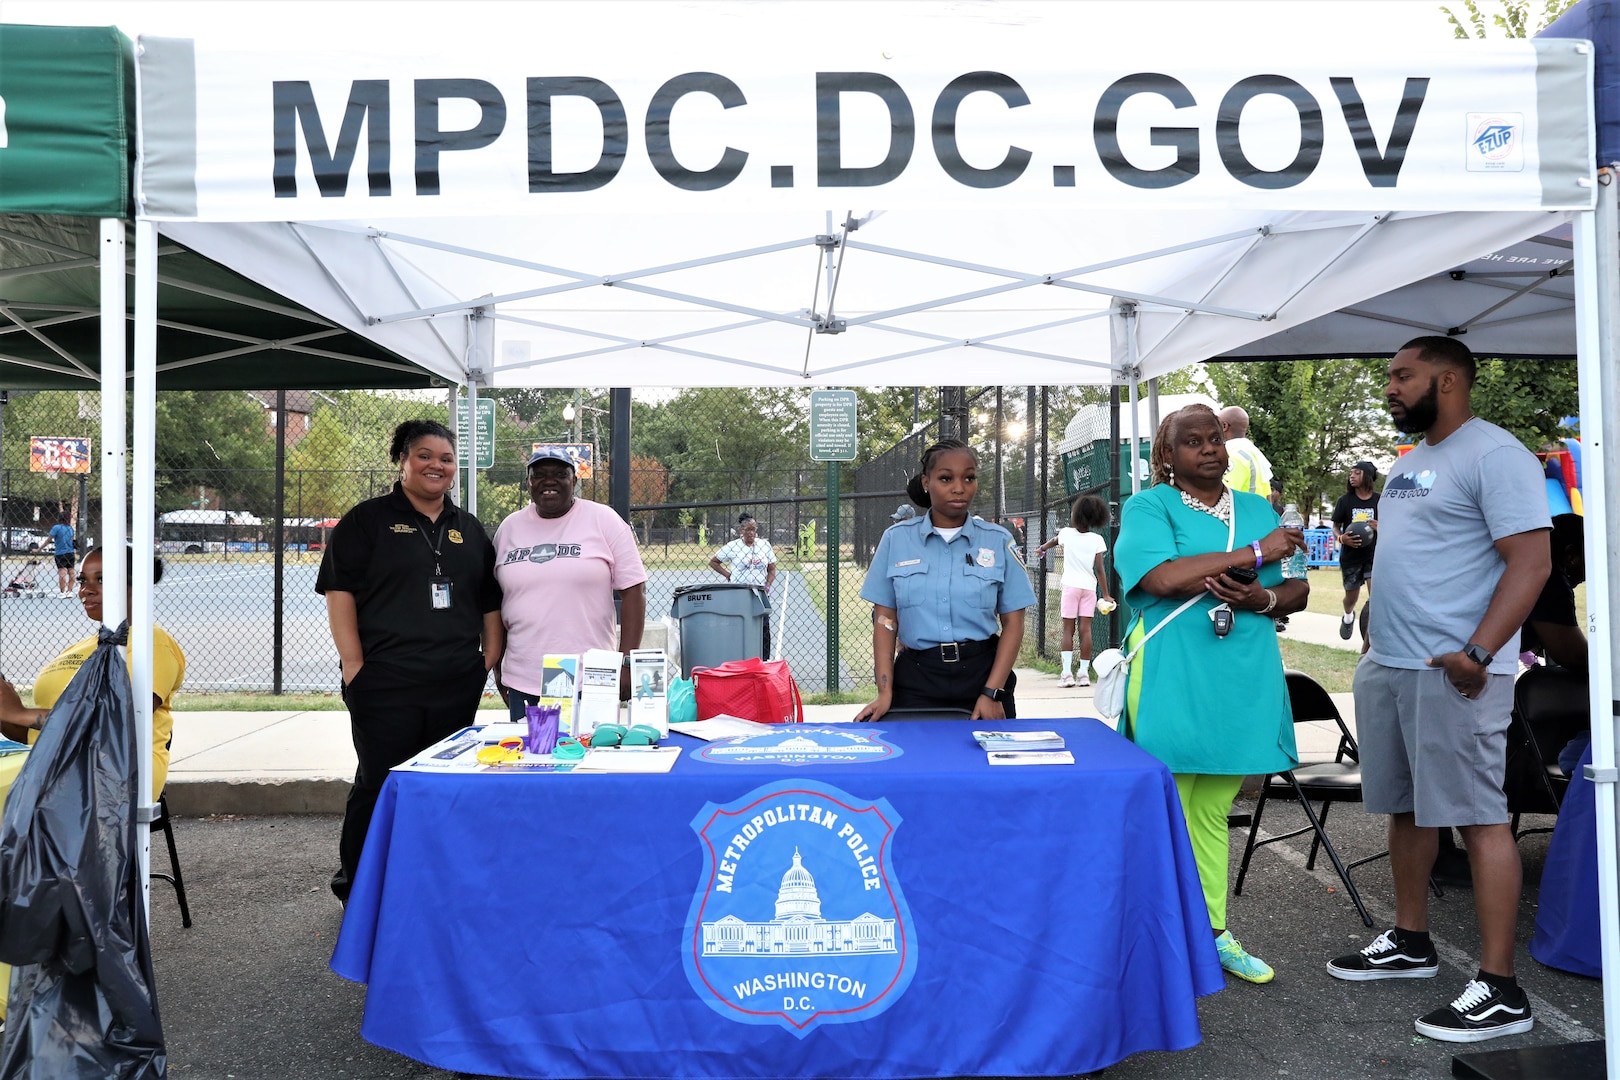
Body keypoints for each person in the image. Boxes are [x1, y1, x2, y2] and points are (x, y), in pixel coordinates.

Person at [1327, 336, 1550, 1044]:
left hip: (1454, 674)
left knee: (1479, 817)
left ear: (1448, 380)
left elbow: (1532, 563)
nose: (1389, 387)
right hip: (1391, 664)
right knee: (1407, 809)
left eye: (1402, 376)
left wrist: (1478, 652)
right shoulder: (1412, 464)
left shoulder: (1496, 454)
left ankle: (1500, 986)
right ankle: (1411, 939)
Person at [1114, 403, 1309, 985]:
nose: (1209, 449)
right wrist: (1256, 553)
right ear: (1167, 456)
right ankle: (1149, 934)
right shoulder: (1149, 506)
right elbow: (1162, 580)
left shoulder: (1255, 509)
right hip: (1173, 669)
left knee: (1212, 810)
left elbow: (1295, 588)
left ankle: (1213, 932)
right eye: (1192, 441)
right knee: (1164, 803)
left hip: (1242, 670)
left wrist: (1263, 599)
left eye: (1215, 439)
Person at [0, 543, 186, 1035]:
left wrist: (25, 716)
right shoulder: (81, 648)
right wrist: (10, 710)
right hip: (49, 764)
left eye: (99, 579)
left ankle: (18, 989)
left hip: (108, 769)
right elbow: (30, 731)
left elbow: (114, 720)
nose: (85, 588)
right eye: (84, 579)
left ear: (133, 587)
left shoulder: (150, 641)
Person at [317, 419, 504, 905]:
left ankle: (428, 883)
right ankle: (358, 887)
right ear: (402, 460)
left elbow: (488, 602)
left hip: (454, 682)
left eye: (445, 458)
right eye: (424, 455)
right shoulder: (367, 520)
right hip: (385, 682)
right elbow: (339, 595)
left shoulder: (469, 528)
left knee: (441, 786)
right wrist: (355, 665)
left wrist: (487, 659)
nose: (435, 466)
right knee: (380, 783)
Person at [855, 438, 1035, 722]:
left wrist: (992, 692)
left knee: (988, 764)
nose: (959, 487)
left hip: (984, 676)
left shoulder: (998, 541)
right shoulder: (897, 539)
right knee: (918, 764)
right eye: (946, 478)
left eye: (969, 477)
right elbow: (885, 620)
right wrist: (884, 692)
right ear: (926, 482)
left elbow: (1014, 623)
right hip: (916, 679)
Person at [495, 446, 646, 720]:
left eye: (560, 474)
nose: (548, 481)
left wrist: (626, 662)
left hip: (590, 679)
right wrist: (499, 670)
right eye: (539, 475)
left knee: (591, 760)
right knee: (532, 758)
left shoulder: (604, 520)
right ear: (529, 482)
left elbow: (634, 592)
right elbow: (497, 603)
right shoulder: (509, 528)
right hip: (525, 678)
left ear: (574, 480)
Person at [1036, 494, 1113, 688]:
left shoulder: (1067, 534)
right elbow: (1100, 569)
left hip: (1071, 587)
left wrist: (1042, 549)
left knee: (1067, 630)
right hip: (1089, 588)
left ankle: (1066, 674)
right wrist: (1105, 594)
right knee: (1085, 630)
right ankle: (1084, 674)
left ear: (1076, 515)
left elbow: (1054, 540)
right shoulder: (1097, 539)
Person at [709, 513, 776, 658]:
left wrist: (768, 585)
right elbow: (713, 562)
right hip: (739, 594)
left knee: (763, 627)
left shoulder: (764, 545)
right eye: (748, 529)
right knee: (738, 627)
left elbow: (772, 568)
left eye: (754, 529)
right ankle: (738, 657)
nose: (751, 533)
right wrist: (728, 575)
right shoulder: (733, 547)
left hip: (760, 594)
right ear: (741, 530)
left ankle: (764, 659)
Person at [1331, 461, 1380, 642]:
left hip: (1373, 556)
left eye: (1357, 473)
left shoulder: (1379, 500)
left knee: (1375, 596)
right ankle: (1348, 616)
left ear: (1367, 476)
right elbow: (1335, 527)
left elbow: (1392, 525)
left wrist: (1380, 527)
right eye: (1350, 473)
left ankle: (1373, 632)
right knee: (1351, 597)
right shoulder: (1345, 501)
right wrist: (1341, 538)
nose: (1351, 476)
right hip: (1351, 558)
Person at [1219, 406, 1273, 499]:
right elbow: (1268, 496)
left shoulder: (1231, 456)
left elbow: (1223, 498)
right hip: (1257, 512)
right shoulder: (1254, 454)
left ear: (1224, 426)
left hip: (1240, 513)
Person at [48, 513, 74, 598]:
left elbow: (49, 539)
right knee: (71, 572)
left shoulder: (57, 527)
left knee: (62, 573)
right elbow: (72, 539)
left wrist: (39, 549)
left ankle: (62, 592)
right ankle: (69, 591)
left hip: (60, 552)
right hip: (70, 552)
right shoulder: (70, 528)